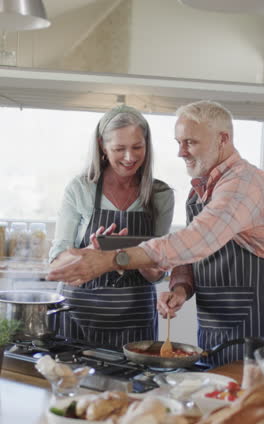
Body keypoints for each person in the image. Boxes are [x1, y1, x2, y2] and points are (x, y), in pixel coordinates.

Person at [48, 100, 264, 365]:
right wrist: (180, 287)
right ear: (103, 148)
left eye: (190, 142)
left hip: (253, 322)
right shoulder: (200, 189)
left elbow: (195, 240)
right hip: (214, 320)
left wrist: (112, 258)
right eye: (178, 142)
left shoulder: (243, 184)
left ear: (223, 139)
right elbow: (189, 257)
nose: (181, 152)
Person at [49, 104, 174, 348]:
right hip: (78, 315)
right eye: (119, 149)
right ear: (101, 146)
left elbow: (158, 271)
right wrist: (89, 253)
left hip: (136, 319)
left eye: (137, 147)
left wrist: (139, 260)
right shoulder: (80, 188)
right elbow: (56, 261)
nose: (130, 157)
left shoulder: (160, 194)